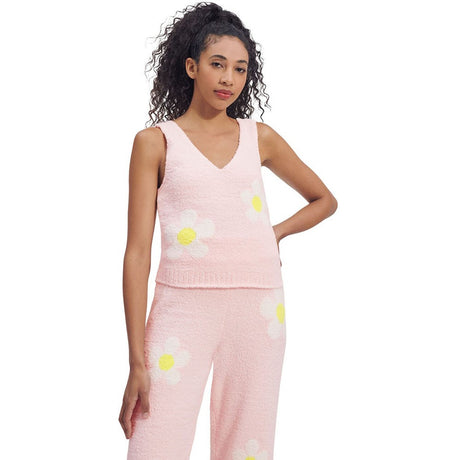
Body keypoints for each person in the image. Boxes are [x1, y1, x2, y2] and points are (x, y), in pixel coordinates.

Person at [119, 2, 338, 458]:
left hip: (258, 305)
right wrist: (136, 361)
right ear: (191, 66)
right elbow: (137, 254)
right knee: (155, 443)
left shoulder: (260, 137)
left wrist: (275, 233)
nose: (229, 79)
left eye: (240, 69)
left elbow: (324, 199)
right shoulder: (155, 142)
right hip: (182, 306)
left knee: (248, 445)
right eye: (217, 64)